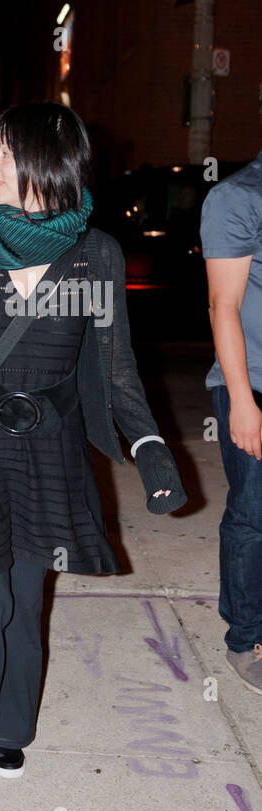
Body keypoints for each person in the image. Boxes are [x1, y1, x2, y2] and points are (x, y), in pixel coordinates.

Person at [0, 103, 188, 806]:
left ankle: (8, 725)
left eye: (0, 153)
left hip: (52, 451)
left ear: (38, 162)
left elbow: (119, 370)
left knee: (25, 599)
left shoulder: (96, 255)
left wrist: (152, 452)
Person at [201, 94, 262, 694]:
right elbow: (224, 306)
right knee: (253, 514)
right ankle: (246, 636)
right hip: (254, 383)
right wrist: (242, 401)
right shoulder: (238, 197)